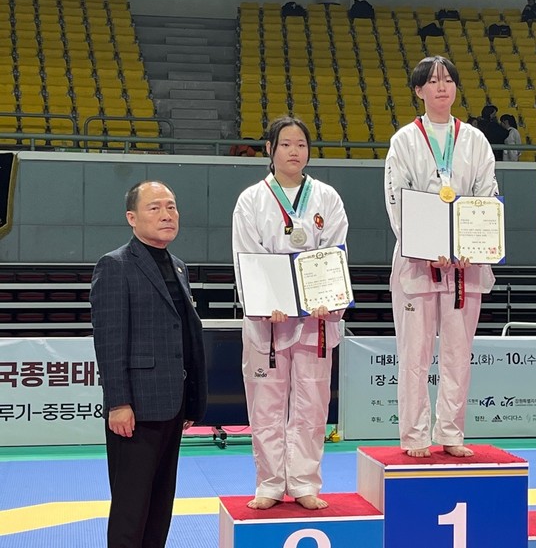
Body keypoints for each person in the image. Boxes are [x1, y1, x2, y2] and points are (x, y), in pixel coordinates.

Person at [384, 56, 499, 458]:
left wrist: (472, 247)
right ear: (419, 90)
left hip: (465, 267)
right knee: (414, 353)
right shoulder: (404, 140)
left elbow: (486, 196)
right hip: (418, 264)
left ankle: (451, 432)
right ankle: (415, 435)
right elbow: (397, 201)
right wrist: (424, 247)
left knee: (457, 354)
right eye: (433, 81)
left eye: (448, 79)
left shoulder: (475, 140)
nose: (442, 87)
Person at [232, 115, 348, 510]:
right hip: (269, 319)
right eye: (285, 144)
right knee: (265, 403)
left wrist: (328, 296)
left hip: (315, 317)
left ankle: (303, 482)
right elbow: (246, 256)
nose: (294, 151)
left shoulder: (327, 198)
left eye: (301, 144)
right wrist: (267, 302)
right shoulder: (252, 200)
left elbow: (334, 253)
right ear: (269, 149)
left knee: (312, 402)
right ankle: (269, 482)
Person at [90, 180, 208, 548]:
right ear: (132, 217)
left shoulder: (178, 266)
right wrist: (118, 403)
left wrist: (191, 399)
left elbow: (182, 334)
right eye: (154, 207)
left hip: (172, 403)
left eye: (171, 206)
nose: (166, 214)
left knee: (160, 505)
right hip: (136, 408)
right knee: (131, 508)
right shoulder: (115, 265)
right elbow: (109, 341)